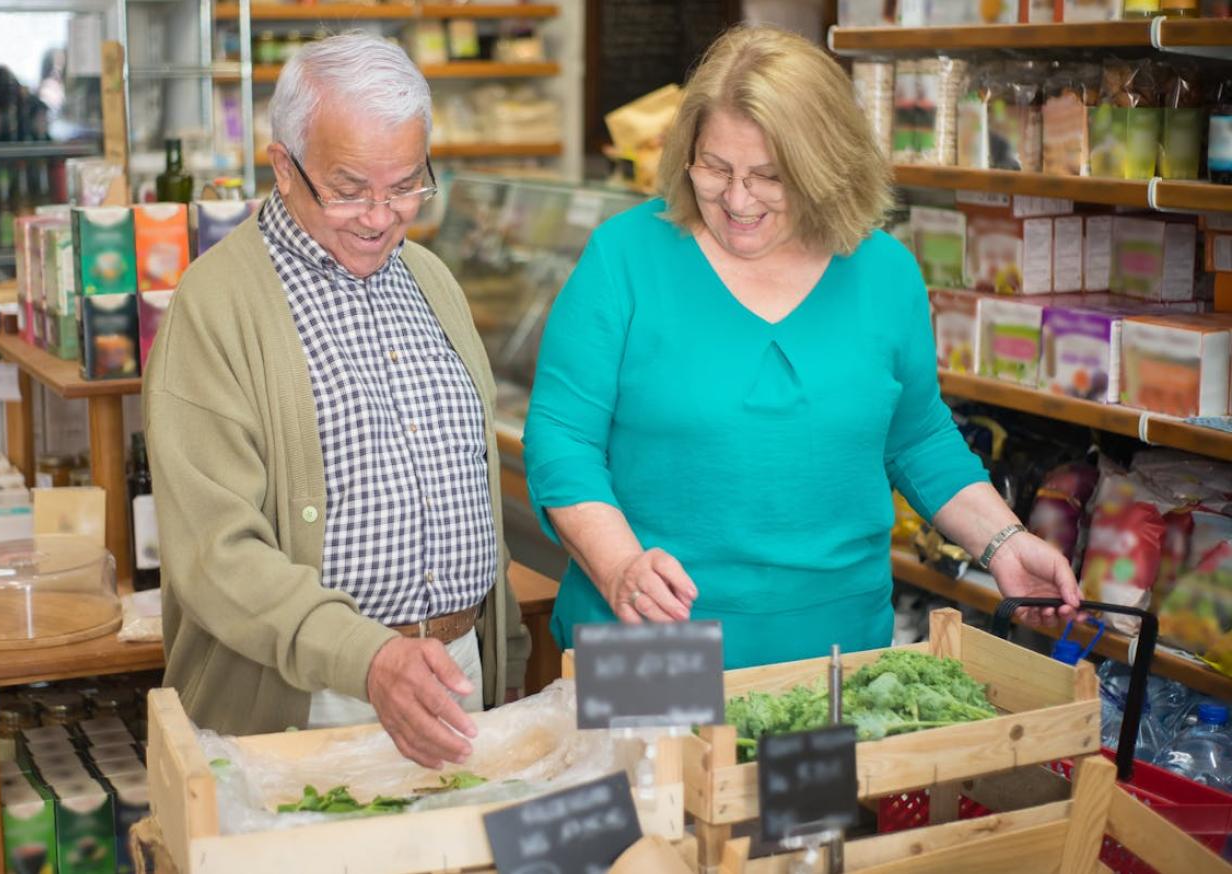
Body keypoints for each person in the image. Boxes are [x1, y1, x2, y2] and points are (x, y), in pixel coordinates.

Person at [522, 26, 1080, 669]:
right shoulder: (625, 257)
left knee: (825, 748)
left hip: (839, 647)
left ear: (824, 165)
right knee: (656, 748)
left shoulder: (884, 272)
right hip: (652, 642)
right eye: (715, 167)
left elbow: (917, 438)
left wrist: (1005, 542)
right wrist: (619, 564)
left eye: (769, 176)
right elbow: (563, 438)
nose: (737, 199)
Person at [144, 33, 527, 768]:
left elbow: (470, 487)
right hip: (306, 696)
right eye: (349, 190)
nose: (379, 217)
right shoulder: (216, 305)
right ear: (283, 166)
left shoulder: (432, 281)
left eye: (406, 185)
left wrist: (498, 646)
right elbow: (215, 556)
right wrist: (367, 657)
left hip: (457, 675)